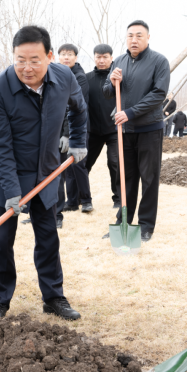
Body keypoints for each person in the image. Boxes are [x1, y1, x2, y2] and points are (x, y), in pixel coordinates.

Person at [0, 25, 88, 321]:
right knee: (2, 241)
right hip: (7, 176)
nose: (26, 68)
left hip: (46, 173)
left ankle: (53, 297)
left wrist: (79, 140)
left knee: (48, 237)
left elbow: (79, 110)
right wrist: (12, 191)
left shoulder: (64, 77)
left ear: (50, 56)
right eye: (20, 60)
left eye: (34, 60)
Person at [103, 20, 170, 243]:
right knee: (126, 179)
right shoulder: (119, 62)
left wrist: (130, 112)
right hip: (126, 131)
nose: (134, 39)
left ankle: (145, 226)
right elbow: (106, 92)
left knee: (149, 178)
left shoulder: (159, 61)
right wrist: (112, 82)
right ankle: (123, 222)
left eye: (139, 35)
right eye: (130, 35)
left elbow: (158, 94)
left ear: (148, 38)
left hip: (149, 129)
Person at [54, 44, 93, 219]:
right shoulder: (56, 75)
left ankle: (86, 200)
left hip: (78, 128)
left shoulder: (79, 77)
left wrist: (68, 134)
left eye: (70, 54)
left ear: (76, 57)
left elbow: (77, 108)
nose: (66, 57)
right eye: (63, 54)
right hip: (62, 129)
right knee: (66, 168)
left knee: (78, 165)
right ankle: (72, 201)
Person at [85, 44, 120, 210]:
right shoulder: (86, 78)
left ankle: (118, 198)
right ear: (94, 58)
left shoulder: (117, 78)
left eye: (105, 57)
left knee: (114, 162)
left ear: (111, 58)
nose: (101, 60)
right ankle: (82, 197)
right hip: (92, 131)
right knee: (83, 164)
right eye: (98, 57)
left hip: (114, 130)